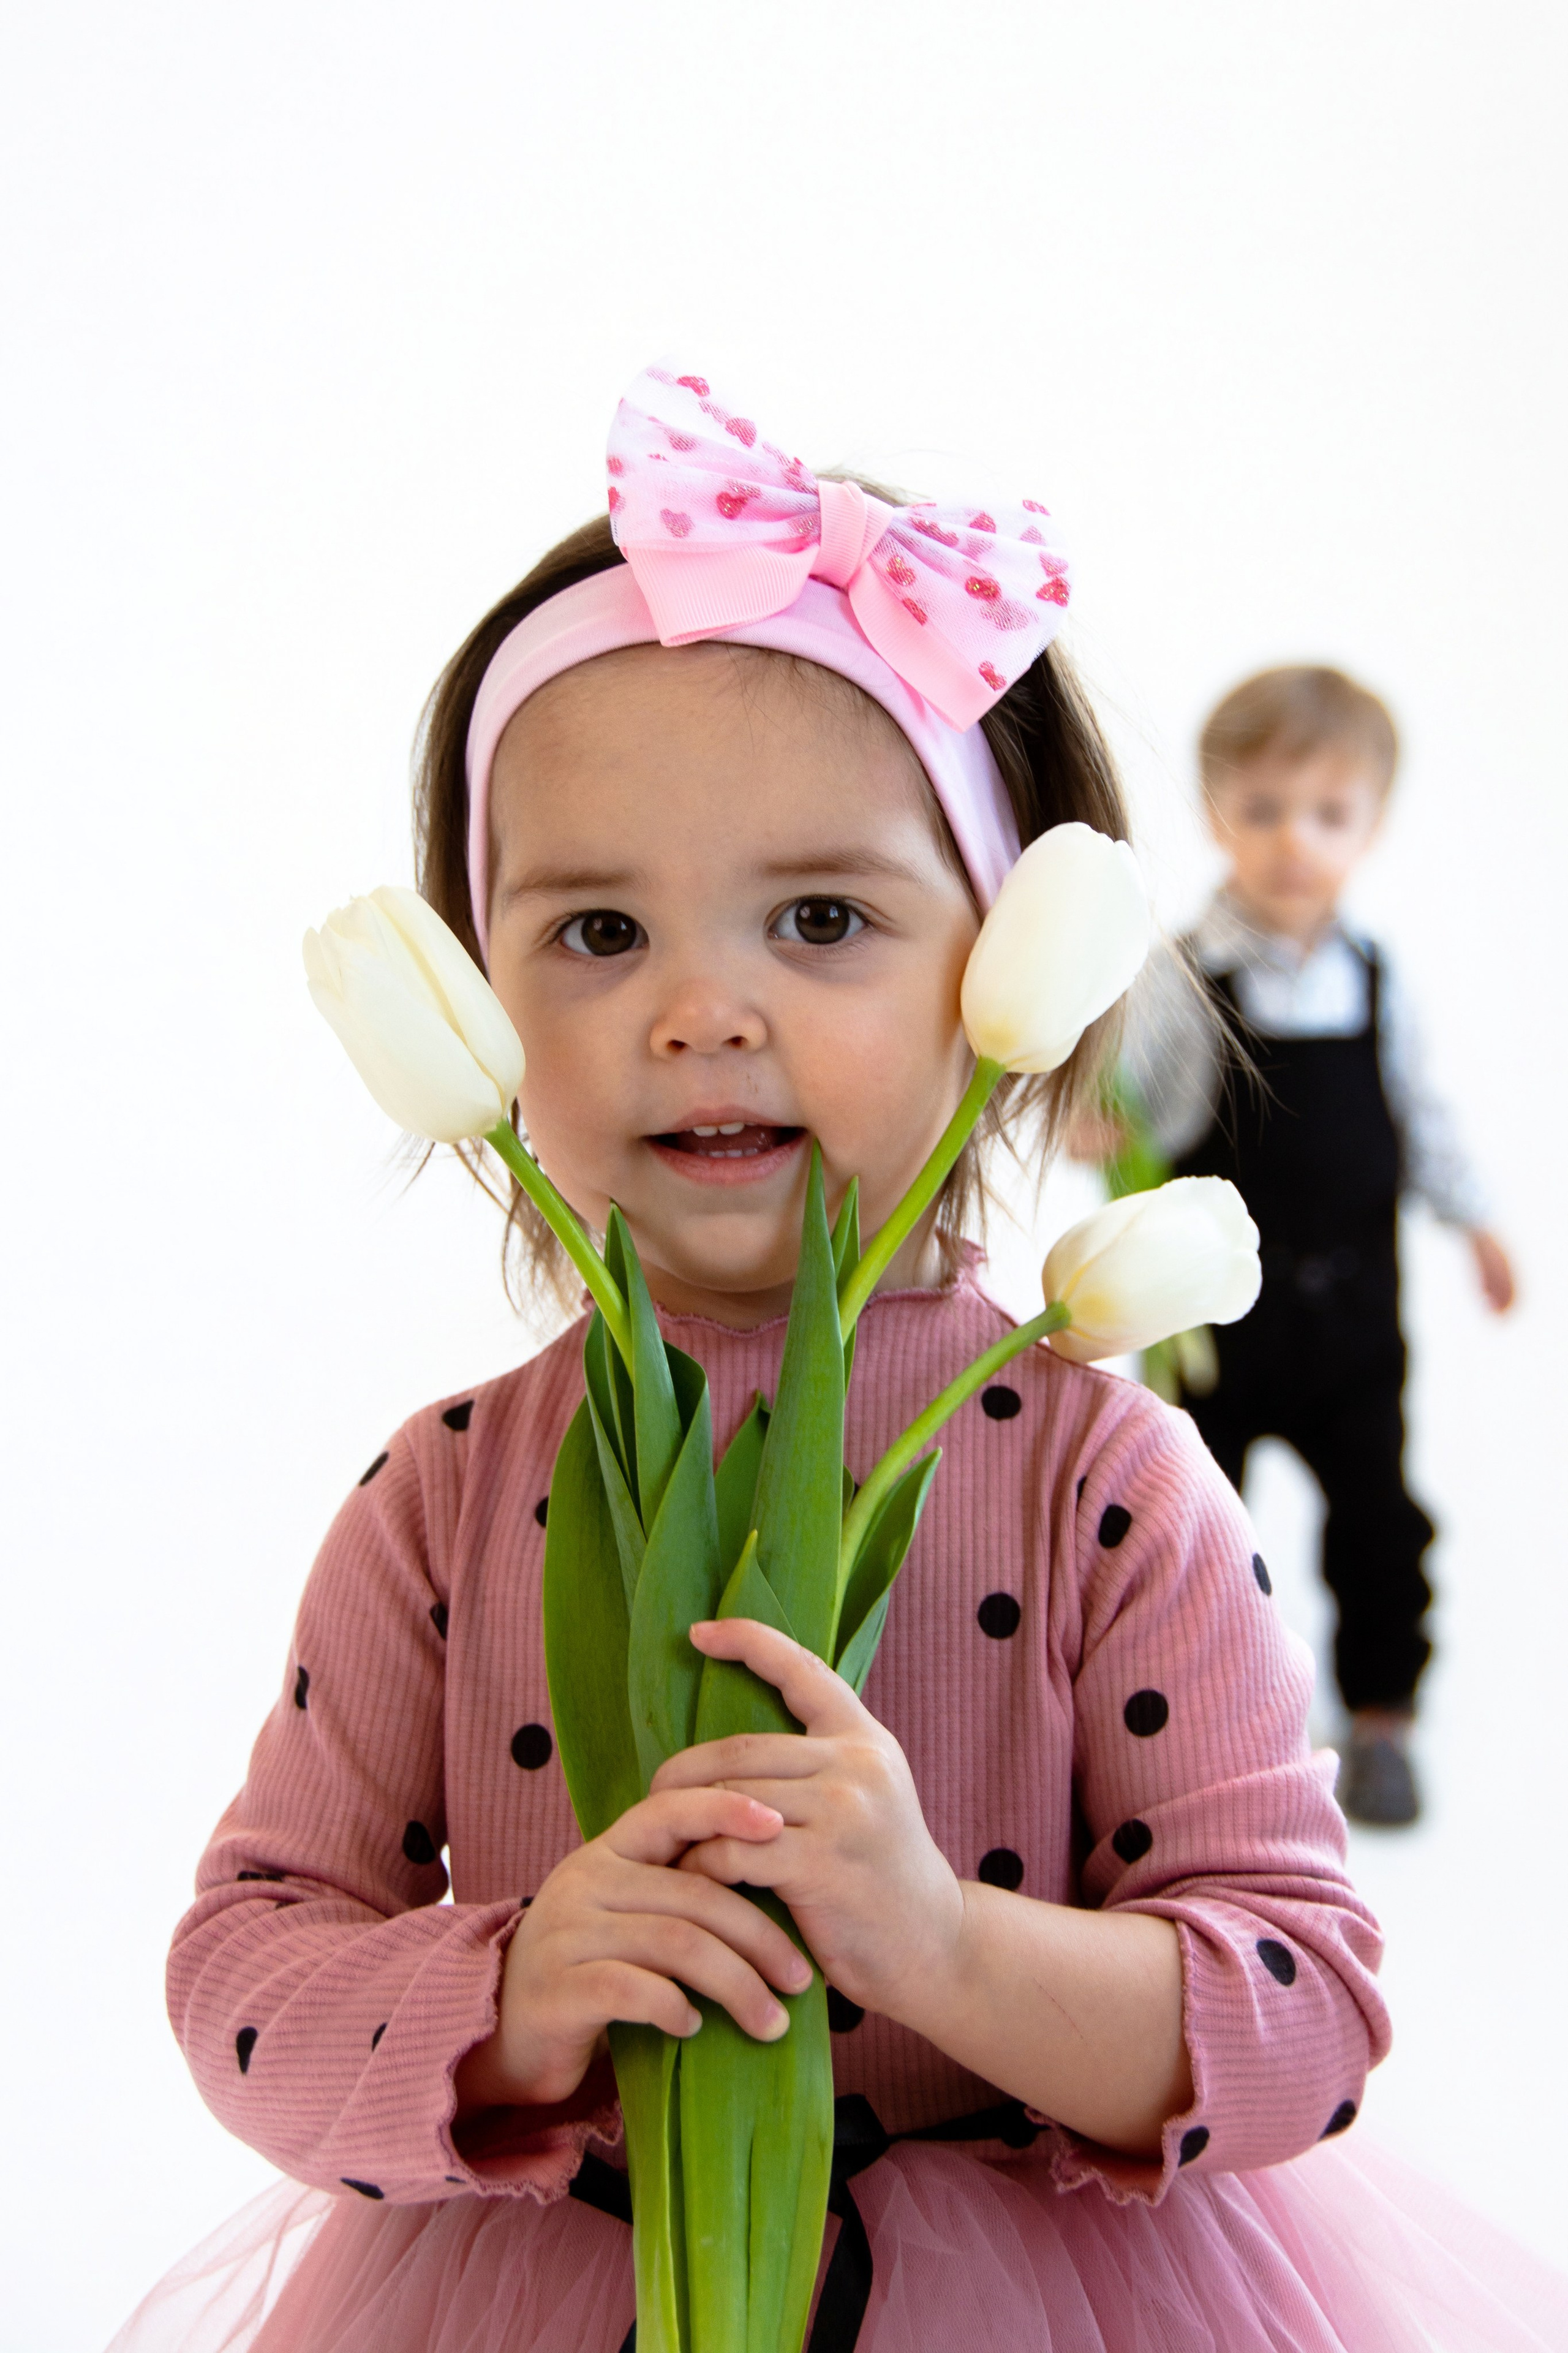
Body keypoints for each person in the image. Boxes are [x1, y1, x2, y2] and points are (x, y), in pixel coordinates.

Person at [112, 369, 1564, 2353]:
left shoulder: (1095, 1477)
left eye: (820, 916)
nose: (703, 1010)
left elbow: (1304, 2009)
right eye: (597, 931)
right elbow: (245, 1976)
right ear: (475, 981)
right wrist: (523, 1984)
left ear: (1000, 967)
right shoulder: (448, 1493)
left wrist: (942, 1945)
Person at [1120, 668, 1515, 1829]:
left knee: (1379, 1515)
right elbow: (1130, 1104)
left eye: (1327, 814)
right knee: (1190, 1520)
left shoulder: (1379, 977)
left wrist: (1477, 1222)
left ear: (1372, 824)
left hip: (1355, 1321)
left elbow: (1421, 1114)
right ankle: (1195, 1725)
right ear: (1215, 812)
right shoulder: (1187, 971)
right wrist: (1102, 1116)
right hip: (1216, 1322)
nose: (1295, 840)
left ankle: (1382, 1715)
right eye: (1263, 809)